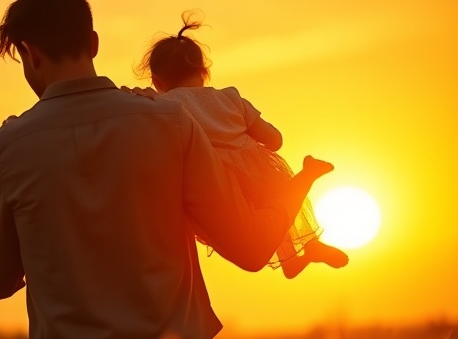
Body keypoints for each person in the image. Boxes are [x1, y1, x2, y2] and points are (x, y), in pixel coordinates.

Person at [0, 0, 322, 339]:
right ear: (93, 44)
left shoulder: (9, 148)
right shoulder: (170, 123)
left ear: (28, 53)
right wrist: (296, 186)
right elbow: (249, 247)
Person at [133, 13, 349, 278]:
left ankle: (296, 253)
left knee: (245, 229)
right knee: (278, 202)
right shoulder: (230, 97)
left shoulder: (167, 105)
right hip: (256, 171)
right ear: (204, 72)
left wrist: (141, 96)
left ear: (158, 81)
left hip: (219, 180)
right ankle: (306, 246)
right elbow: (274, 140)